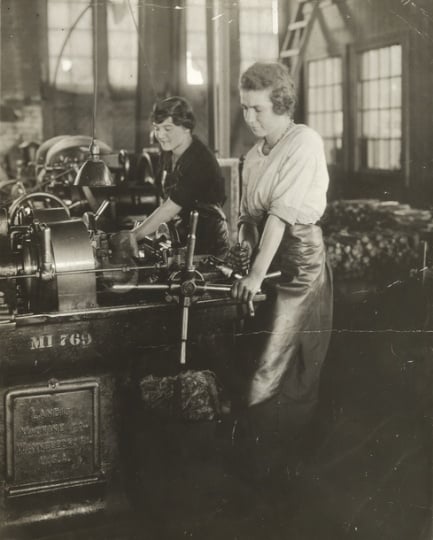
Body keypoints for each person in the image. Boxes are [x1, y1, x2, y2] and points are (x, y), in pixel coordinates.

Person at [229, 62, 333, 486]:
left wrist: (254, 276)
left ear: (282, 104)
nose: (250, 119)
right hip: (265, 258)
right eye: (245, 109)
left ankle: (276, 471)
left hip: (300, 264)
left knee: (281, 360)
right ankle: (262, 462)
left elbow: (280, 217)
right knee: (256, 353)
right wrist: (241, 252)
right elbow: (247, 216)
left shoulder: (304, 141)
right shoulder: (254, 155)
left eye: (258, 110)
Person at [131, 96, 229, 257]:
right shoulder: (168, 154)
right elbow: (165, 201)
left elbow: (172, 206)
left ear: (186, 127)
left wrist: (135, 235)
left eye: (168, 129)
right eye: (157, 128)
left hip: (208, 244)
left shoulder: (200, 160)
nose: (160, 135)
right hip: (180, 238)